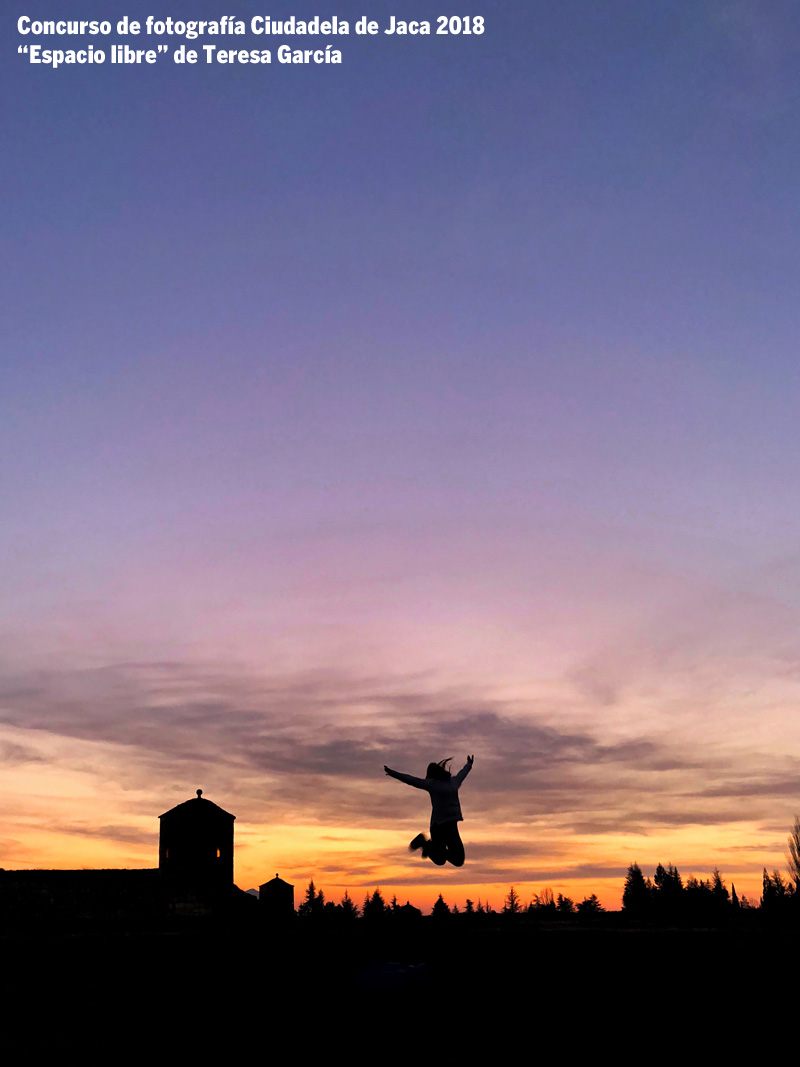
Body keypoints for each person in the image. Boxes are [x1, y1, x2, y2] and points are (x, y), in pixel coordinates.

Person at [384, 755, 474, 866]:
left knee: (451, 859)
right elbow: (462, 774)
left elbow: (411, 780)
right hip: (439, 827)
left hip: (449, 826)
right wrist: (469, 764)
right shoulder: (451, 782)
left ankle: (427, 845)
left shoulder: (436, 783)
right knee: (447, 860)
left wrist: (393, 773)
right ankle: (426, 845)